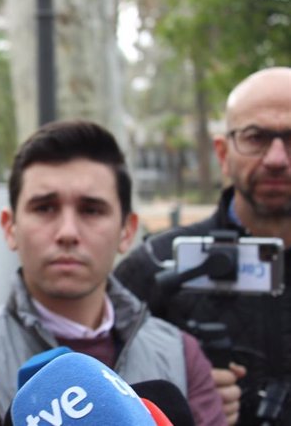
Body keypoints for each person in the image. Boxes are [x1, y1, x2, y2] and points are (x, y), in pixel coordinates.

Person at [0, 120, 226, 425]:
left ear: (127, 231)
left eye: (91, 210)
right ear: (10, 227)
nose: (67, 232)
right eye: (45, 208)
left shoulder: (181, 356)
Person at [114, 66, 291, 425]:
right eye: (256, 137)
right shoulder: (154, 268)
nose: (277, 158)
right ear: (223, 153)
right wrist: (176, 398)